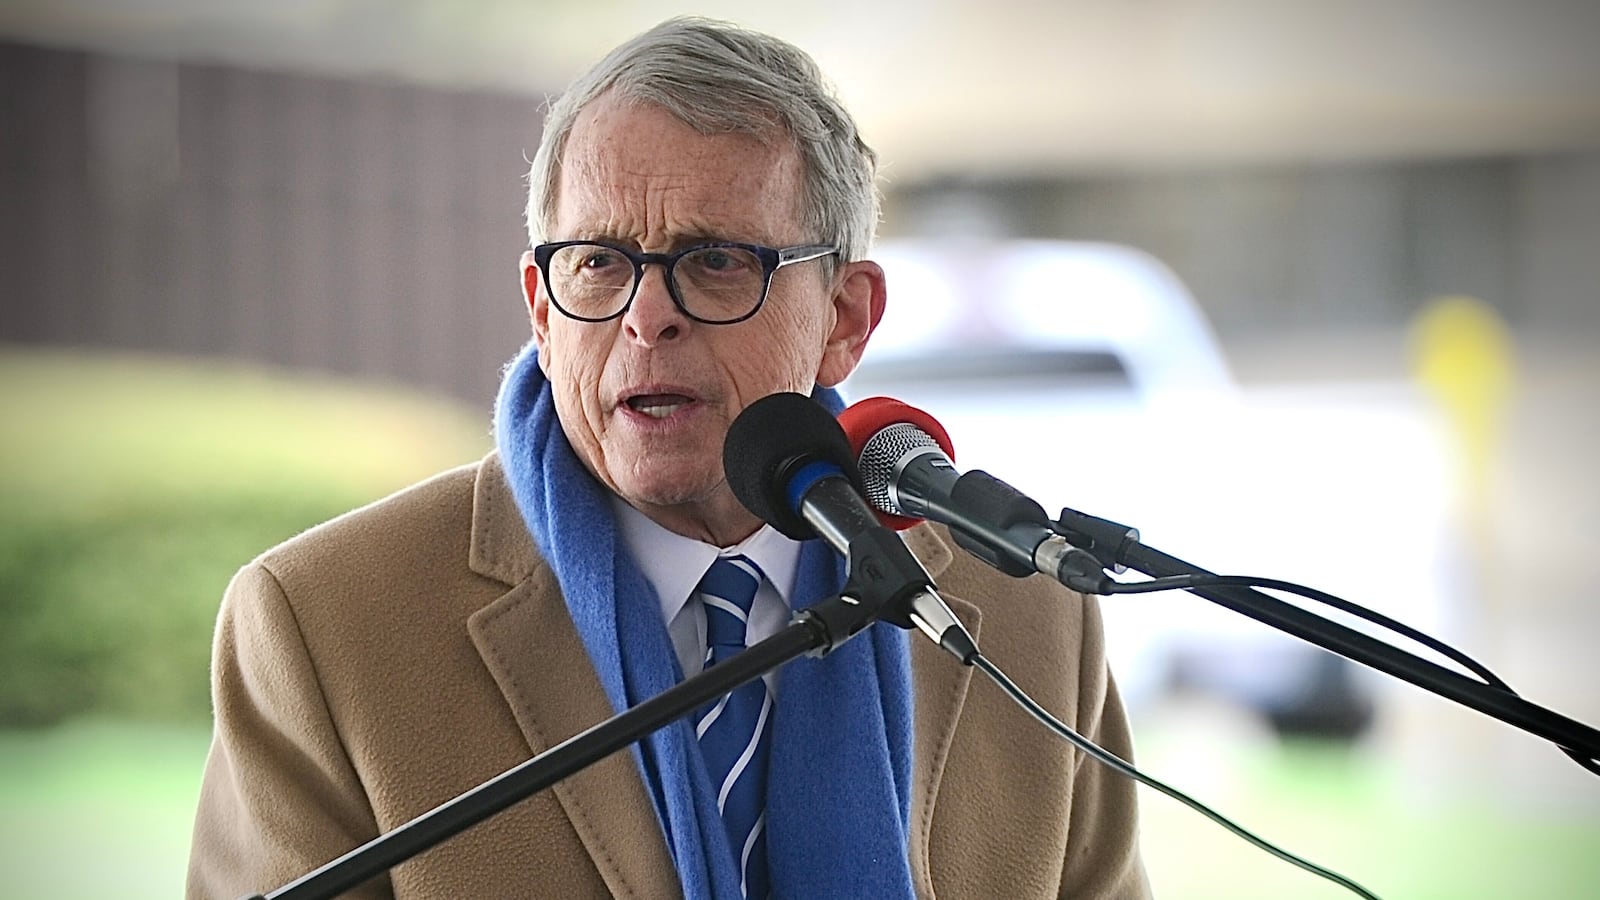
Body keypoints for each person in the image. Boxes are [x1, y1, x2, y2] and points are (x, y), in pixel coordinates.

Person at [187, 16, 1151, 900]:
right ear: (540, 305)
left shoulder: (1035, 615)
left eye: (717, 260)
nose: (649, 318)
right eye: (599, 262)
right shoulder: (324, 625)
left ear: (844, 319)